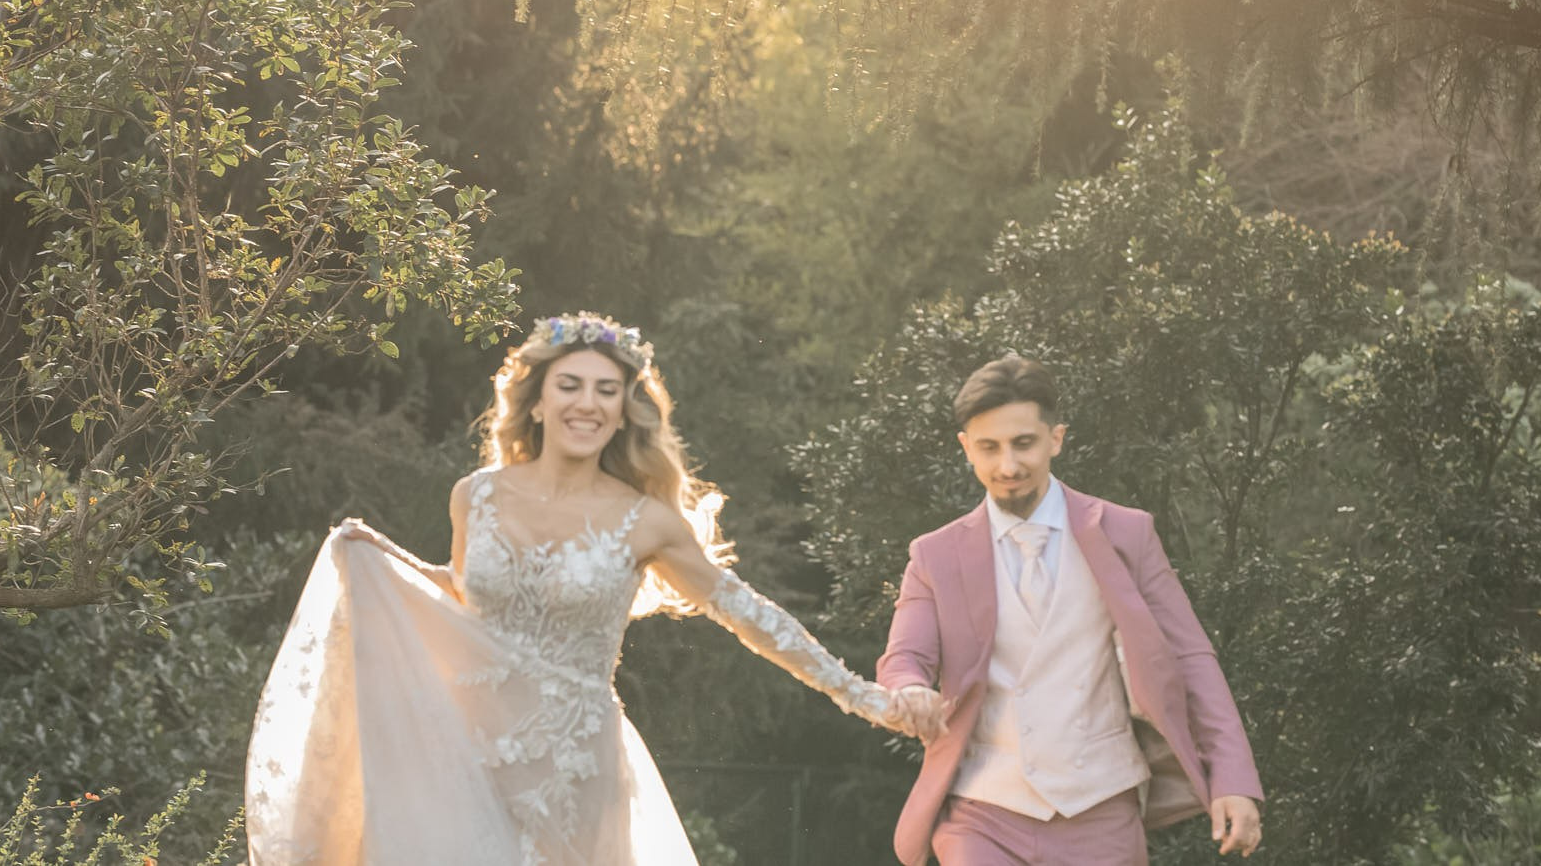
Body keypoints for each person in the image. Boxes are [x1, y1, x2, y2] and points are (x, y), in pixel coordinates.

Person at [245, 313, 923, 866]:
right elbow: (466, 602)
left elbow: (748, 615)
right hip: (464, 747)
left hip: (570, 770)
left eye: (607, 390)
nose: (587, 404)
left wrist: (866, 697)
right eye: (570, 385)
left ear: (626, 411)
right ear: (536, 399)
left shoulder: (646, 520)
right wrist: (388, 561)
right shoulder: (474, 495)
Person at [878, 354, 1264, 865]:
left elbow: (1191, 657)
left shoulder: (1127, 533)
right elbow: (905, 656)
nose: (1008, 466)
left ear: (1055, 439)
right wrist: (906, 688)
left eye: (1024, 443)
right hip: (983, 809)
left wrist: (1233, 778)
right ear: (966, 447)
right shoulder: (934, 554)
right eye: (989, 448)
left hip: (1101, 808)